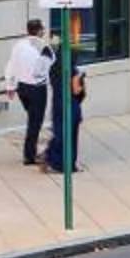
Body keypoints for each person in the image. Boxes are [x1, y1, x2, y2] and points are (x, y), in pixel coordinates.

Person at [1, 20, 53, 167]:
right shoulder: (42, 48)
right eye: (42, 29)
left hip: (22, 88)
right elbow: (43, 70)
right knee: (35, 123)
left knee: (32, 119)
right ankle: (29, 155)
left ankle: (30, 152)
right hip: (37, 88)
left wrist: (10, 86)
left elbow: (11, 65)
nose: (44, 32)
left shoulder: (19, 45)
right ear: (39, 31)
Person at [43, 33, 87, 173]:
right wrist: (81, 79)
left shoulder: (54, 69)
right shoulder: (73, 72)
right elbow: (76, 90)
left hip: (58, 103)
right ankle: (65, 163)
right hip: (70, 104)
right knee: (70, 136)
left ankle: (53, 160)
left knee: (60, 133)